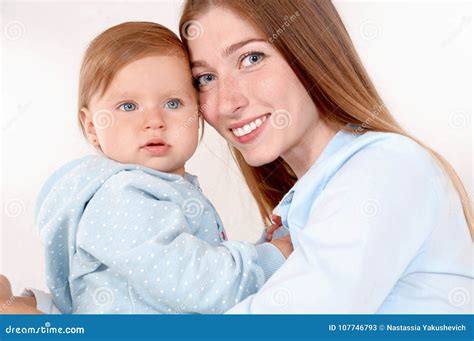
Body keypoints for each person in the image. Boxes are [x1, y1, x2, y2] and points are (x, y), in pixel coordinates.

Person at [179, 0, 473, 313]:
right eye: (205, 78)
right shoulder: (299, 212)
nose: (226, 103)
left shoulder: (386, 167)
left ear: (312, 51)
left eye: (251, 58)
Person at [0, 21, 292, 314]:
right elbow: (196, 283)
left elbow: (197, 268)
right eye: (128, 106)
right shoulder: (120, 196)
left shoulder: (159, 189)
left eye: (173, 103)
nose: (154, 120)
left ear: (199, 114)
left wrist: (263, 246)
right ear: (92, 127)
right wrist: (269, 258)